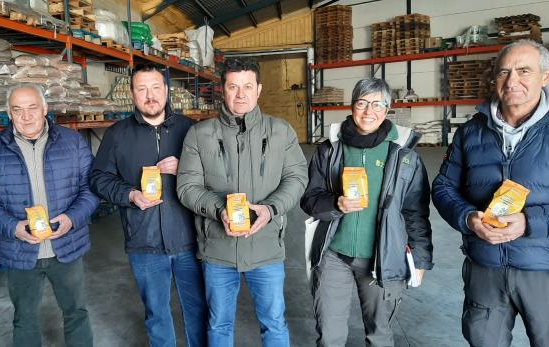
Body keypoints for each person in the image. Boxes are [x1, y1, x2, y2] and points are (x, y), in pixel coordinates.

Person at [176, 57, 308, 347]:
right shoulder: (199, 134)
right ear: (222, 89)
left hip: (266, 247)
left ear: (259, 89)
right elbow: (186, 186)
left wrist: (270, 209)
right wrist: (219, 209)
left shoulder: (280, 131)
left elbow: (297, 177)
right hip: (218, 250)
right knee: (219, 324)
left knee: (274, 323)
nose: (241, 94)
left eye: (248, 86)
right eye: (233, 86)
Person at [432, 39, 549, 346]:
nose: (512, 81)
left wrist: (530, 222)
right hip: (484, 266)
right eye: (504, 72)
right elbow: (444, 187)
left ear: (545, 77)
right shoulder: (471, 131)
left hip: (542, 266)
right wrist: (468, 217)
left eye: (524, 71)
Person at [300, 78, 433, 346]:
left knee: (379, 335)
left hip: (382, 260)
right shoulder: (330, 150)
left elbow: (416, 212)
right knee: (329, 336)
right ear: (352, 106)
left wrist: (420, 259)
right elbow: (310, 199)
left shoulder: (404, 155)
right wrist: (336, 204)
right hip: (333, 255)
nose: (368, 111)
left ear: (387, 109)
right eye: (362, 103)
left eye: (377, 104)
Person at [0, 83, 99, 347]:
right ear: (9, 112)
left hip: (67, 248)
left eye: (32, 108)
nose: (26, 116)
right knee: (24, 317)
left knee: (76, 312)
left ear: (45, 109)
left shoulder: (72, 142)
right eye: (18, 110)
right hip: (20, 251)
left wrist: (72, 219)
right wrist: (12, 226)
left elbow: (92, 188)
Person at [89, 63, 207, 347]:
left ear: (166, 91)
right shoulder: (117, 134)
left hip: (190, 239)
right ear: (132, 94)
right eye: (142, 89)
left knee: (199, 310)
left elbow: (214, 175)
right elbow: (98, 178)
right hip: (144, 241)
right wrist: (130, 195)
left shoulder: (191, 130)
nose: (150, 95)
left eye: (155, 88)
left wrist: (187, 167)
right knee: (156, 314)